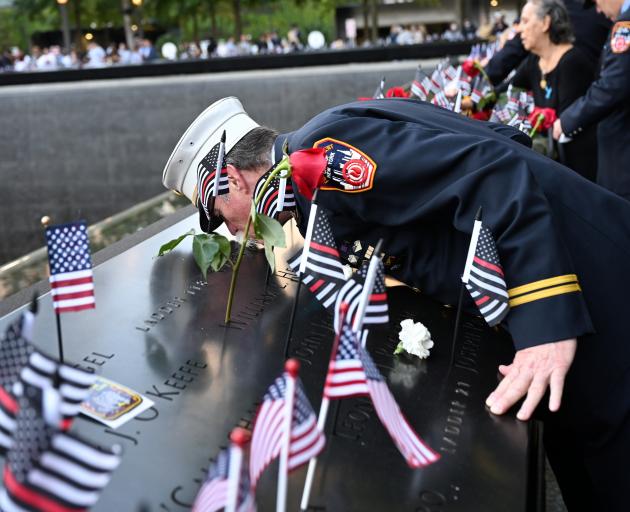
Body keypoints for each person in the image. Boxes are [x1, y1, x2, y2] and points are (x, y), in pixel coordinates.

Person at [163, 97, 630, 510]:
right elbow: (493, 142)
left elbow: (495, 173)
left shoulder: (321, 156)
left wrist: (545, 324)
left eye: (217, 214)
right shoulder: (315, 164)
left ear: (231, 180)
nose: (227, 232)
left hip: (587, 285)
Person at [511, 0, 598, 180]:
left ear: (545, 23)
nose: (519, 29)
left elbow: (566, 121)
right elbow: (508, 88)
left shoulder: (573, 61)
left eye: (525, 21)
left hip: (576, 168)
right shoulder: (534, 61)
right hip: (551, 161)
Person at [553, 0, 630, 200]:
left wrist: (568, 120)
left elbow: (613, 85)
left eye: (596, 2)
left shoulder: (625, 25)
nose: (598, 10)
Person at [485, 0, 611, 87]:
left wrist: (483, 77)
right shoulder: (600, 10)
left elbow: (511, 53)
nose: (523, 28)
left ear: (546, 23)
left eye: (525, 21)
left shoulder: (545, 8)